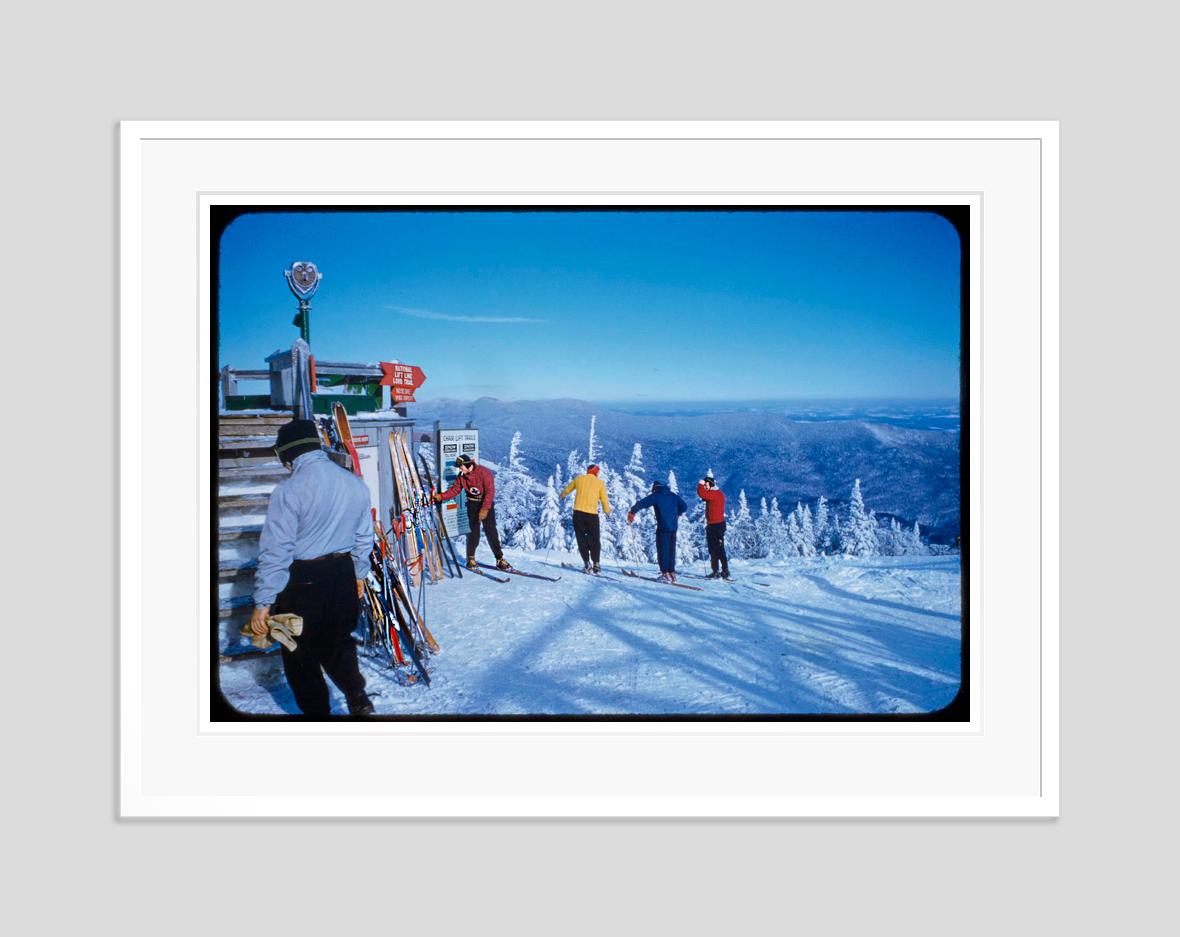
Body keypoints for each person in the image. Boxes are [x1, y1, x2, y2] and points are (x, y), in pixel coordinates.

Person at [250, 419, 374, 716]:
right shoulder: (355, 482)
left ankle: (318, 716)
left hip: (302, 580)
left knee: (298, 652)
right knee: (339, 642)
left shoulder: (289, 491)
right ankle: (357, 695)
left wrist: (263, 601)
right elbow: (363, 536)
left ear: (289, 455)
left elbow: (276, 550)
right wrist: (358, 574)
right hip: (342, 574)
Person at [433, 453, 512, 572]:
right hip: (472, 505)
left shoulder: (484, 473)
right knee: (473, 533)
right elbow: (454, 490)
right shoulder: (462, 477)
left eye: (461, 467)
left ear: (467, 464)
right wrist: (441, 497)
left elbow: (490, 492)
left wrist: (485, 509)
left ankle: (499, 559)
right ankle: (471, 559)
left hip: (486, 503)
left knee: (491, 532)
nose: (460, 469)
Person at [627, 480, 687, 582]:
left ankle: (665, 574)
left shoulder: (656, 496)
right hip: (673, 527)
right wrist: (678, 513)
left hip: (663, 527)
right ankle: (672, 573)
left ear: (655, 488)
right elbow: (684, 506)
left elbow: (642, 503)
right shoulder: (673, 495)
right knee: (671, 550)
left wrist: (632, 511)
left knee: (662, 549)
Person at [561, 463, 612, 573]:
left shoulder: (579, 479)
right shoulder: (600, 483)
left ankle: (587, 564)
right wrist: (607, 512)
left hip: (578, 514)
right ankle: (596, 564)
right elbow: (604, 500)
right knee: (595, 540)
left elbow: (567, 489)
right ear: (596, 472)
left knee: (581, 539)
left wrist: (563, 496)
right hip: (592, 516)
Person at [697, 472, 731, 580]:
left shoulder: (715, 493)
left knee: (716, 549)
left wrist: (700, 484)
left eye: (707, 484)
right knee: (717, 549)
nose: (705, 486)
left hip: (716, 526)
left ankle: (719, 571)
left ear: (711, 484)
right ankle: (721, 571)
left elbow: (702, 494)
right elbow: (706, 497)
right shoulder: (716, 493)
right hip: (715, 525)